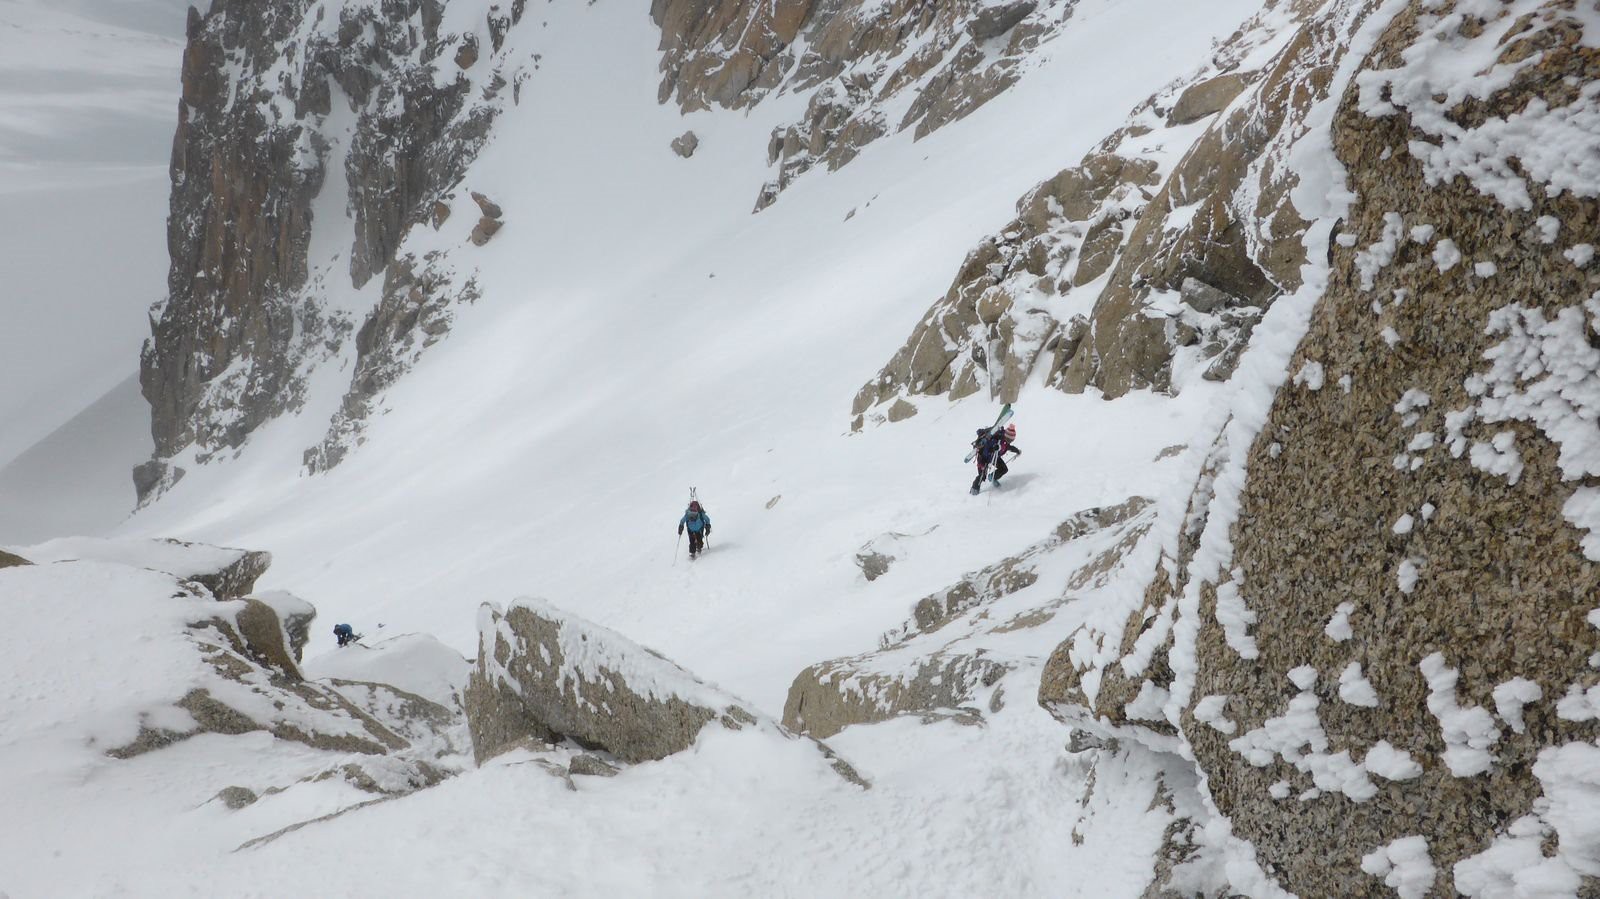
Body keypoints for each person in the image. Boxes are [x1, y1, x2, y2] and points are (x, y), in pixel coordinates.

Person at [971, 422, 1020, 494]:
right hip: (984, 458)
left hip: (994, 457)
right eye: (1009, 439)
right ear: (1005, 436)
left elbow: (1009, 447)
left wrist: (1017, 451)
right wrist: (993, 448)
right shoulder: (997, 439)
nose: (1009, 442)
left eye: (1011, 440)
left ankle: (993, 477)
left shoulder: (1006, 442)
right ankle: (974, 489)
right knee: (982, 476)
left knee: (1004, 469)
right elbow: (987, 448)